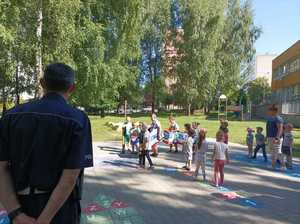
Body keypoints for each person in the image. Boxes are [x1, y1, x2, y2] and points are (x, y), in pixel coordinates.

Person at [0, 63, 93, 224]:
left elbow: (1, 168)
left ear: (42, 83)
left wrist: (15, 213)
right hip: (60, 210)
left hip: (21, 205)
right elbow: (70, 177)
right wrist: (44, 220)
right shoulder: (78, 120)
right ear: (72, 88)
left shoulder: (9, 117)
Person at [266, 104, 284, 169]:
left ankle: (283, 166)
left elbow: (280, 129)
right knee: (272, 152)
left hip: (275, 138)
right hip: (270, 137)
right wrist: (267, 137)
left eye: (270, 110)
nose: (268, 111)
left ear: (274, 111)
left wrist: (277, 138)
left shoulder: (278, 118)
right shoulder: (270, 118)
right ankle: (273, 165)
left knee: (278, 152)